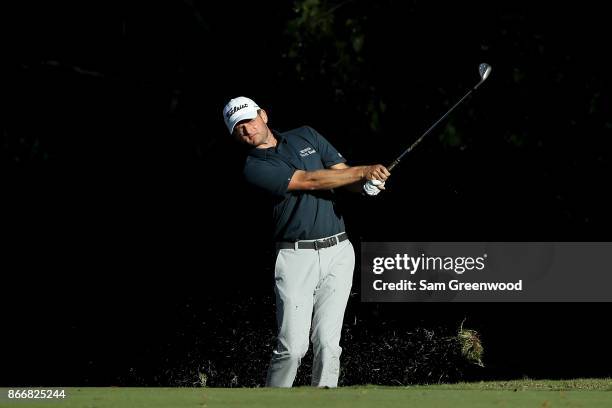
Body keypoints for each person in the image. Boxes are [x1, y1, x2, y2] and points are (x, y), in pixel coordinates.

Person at [223, 96, 390, 388]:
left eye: (249, 120)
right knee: (293, 348)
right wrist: (364, 170)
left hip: (339, 251)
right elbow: (310, 180)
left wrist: (364, 185)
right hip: (295, 257)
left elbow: (339, 175)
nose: (247, 130)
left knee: (328, 344)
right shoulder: (254, 167)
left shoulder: (305, 135)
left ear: (263, 115)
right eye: (238, 128)